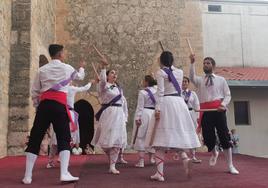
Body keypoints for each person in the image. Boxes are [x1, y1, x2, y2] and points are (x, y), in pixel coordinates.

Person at [22, 44, 85, 184]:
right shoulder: (67, 68)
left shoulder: (41, 70)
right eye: (64, 52)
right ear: (60, 54)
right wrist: (81, 66)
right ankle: (64, 173)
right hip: (59, 106)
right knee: (64, 137)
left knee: (35, 138)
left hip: (44, 105)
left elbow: (35, 92)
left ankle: (27, 176)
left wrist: (38, 107)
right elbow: (80, 77)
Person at [146, 51, 201, 182]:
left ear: (161, 61)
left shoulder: (160, 73)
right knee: (177, 136)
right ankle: (186, 159)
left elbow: (160, 92)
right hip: (179, 104)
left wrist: (157, 108)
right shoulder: (180, 72)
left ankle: (160, 174)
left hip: (166, 103)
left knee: (159, 141)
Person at [189, 54, 239, 175]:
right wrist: (192, 63)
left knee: (224, 137)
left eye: (208, 63)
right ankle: (214, 152)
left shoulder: (221, 80)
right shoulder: (200, 80)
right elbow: (191, 77)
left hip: (218, 111)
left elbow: (227, 94)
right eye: (204, 63)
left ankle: (230, 165)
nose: (205, 65)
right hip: (205, 112)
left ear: (213, 66)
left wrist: (223, 105)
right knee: (208, 137)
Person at [92, 56, 128, 175]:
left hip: (119, 114)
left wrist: (125, 116)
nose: (114, 74)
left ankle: (112, 166)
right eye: (112, 72)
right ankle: (111, 158)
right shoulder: (104, 86)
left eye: (115, 73)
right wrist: (103, 67)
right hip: (108, 113)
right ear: (107, 76)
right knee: (106, 140)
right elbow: (102, 81)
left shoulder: (119, 88)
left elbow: (123, 103)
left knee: (117, 139)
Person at [47, 80, 95, 168]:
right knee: (68, 138)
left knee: (56, 138)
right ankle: (61, 158)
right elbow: (84, 88)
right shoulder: (71, 88)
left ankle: (52, 161)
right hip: (68, 114)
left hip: (61, 113)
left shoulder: (59, 89)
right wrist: (91, 82)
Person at [132, 75, 157, 168]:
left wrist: (138, 118)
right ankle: (152, 159)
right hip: (154, 114)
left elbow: (140, 107)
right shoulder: (157, 91)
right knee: (152, 137)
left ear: (146, 82)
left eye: (144, 81)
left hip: (145, 113)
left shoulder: (142, 92)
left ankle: (141, 161)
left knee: (141, 136)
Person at [181, 76, 202, 163]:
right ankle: (183, 155)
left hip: (191, 114)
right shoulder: (178, 93)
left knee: (193, 134)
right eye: (183, 81)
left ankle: (193, 156)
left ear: (188, 83)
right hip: (182, 115)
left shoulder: (192, 94)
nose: (184, 83)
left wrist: (197, 117)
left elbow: (197, 106)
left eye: (186, 81)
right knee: (182, 133)